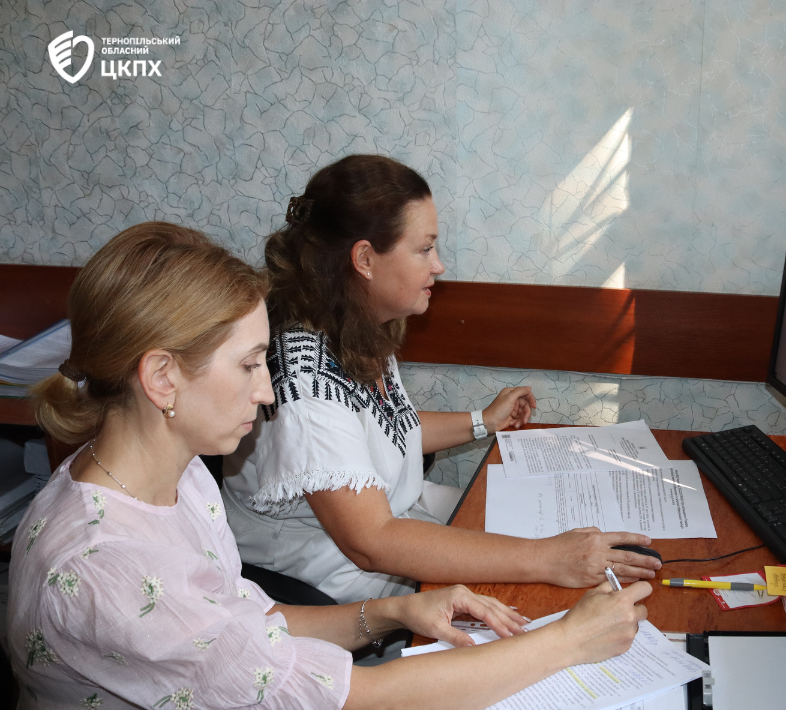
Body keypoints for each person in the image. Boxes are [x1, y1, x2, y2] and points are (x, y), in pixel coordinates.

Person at [7, 222, 651, 707]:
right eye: (249, 365)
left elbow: (249, 622)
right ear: (161, 377)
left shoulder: (172, 472)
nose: (267, 392)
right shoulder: (109, 568)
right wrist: (568, 642)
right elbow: (359, 700)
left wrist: (391, 615)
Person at [223, 155, 662, 605]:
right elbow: (371, 543)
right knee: (551, 584)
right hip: (343, 582)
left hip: (402, 519)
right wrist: (548, 559)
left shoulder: (357, 328)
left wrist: (482, 421)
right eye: (425, 249)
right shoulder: (305, 385)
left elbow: (386, 429)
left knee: (556, 531)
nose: (439, 265)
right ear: (365, 259)